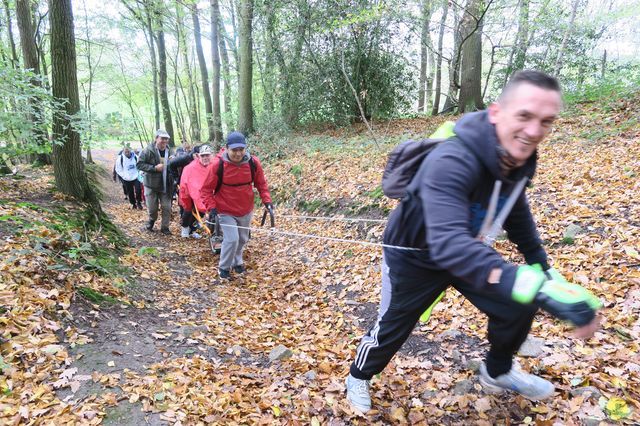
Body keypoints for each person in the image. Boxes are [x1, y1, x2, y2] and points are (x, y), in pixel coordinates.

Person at [345, 70, 602, 413]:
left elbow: (515, 210)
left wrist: (543, 269)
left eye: (546, 121)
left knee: (517, 303)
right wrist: (536, 286)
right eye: (524, 116)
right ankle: (358, 375)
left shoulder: (516, 158)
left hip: (471, 251)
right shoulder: (452, 159)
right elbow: (448, 242)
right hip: (414, 256)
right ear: (496, 112)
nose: (534, 131)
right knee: (392, 327)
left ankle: (497, 372)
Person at [200, 132, 273, 280]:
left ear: (245, 148)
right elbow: (205, 189)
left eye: (241, 149)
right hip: (225, 209)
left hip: (245, 208)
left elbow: (261, 184)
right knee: (232, 239)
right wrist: (211, 208)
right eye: (234, 150)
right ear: (227, 148)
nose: (238, 153)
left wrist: (267, 201)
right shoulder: (217, 165)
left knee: (242, 239)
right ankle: (223, 268)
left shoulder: (253, 163)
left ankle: (237, 261)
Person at [136, 129, 175, 235]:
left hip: (166, 184)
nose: (164, 141)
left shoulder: (170, 151)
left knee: (167, 207)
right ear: (156, 138)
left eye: (166, 139)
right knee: (153, 208)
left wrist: (174, 161)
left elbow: (175, 166)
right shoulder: (147, 150)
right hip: (151, 185)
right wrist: (154, 168)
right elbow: (139, 165)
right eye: (162, 138)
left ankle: (165, 227)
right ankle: (151, 221)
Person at [178, 145, 213, 238]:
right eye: (203, 156)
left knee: (200, 213)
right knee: (188, 210)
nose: (205, 158)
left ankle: (192, 229)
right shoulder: (191, 167)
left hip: (206, 194)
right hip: (189, 192)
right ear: (198, 156)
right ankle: (185, 228)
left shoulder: (214, 165)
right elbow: (191, 184)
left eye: (207, 155)